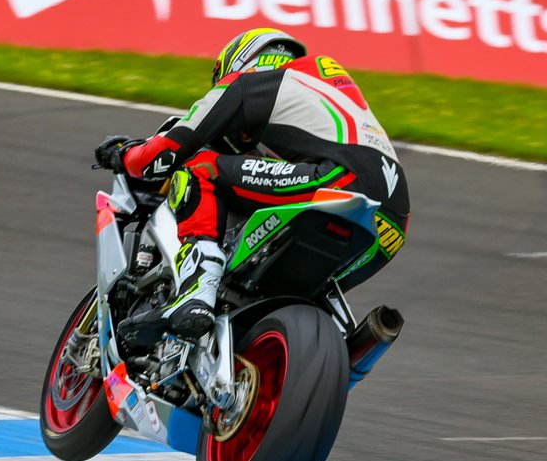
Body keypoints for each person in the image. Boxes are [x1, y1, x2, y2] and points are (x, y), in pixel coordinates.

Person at [95, 27, 410, 351]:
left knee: (201, 168)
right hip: (394, 221)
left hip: (340, 178)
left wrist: (123, 154)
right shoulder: (318, 94)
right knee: (309, 297)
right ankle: (348, 356)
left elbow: (162, 154)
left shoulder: (250, 84)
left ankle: (199, 285)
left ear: (237, 64)